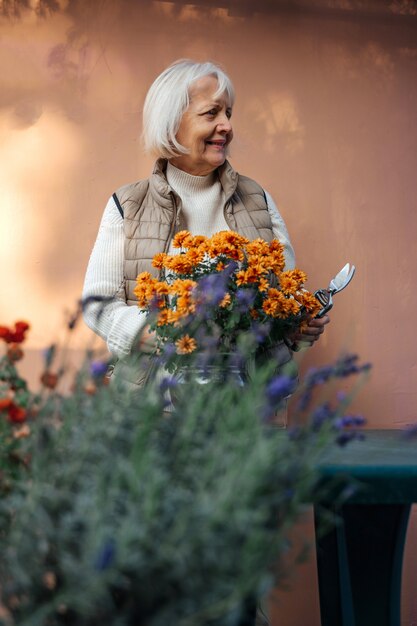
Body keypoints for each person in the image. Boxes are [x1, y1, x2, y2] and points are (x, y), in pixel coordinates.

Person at [82, 59, 329, 387]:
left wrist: (297, 322)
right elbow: (97, 305)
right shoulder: (127, 204)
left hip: (246, 403)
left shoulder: (257, 199)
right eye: (211, 113)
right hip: (154, 406)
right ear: (171, 123)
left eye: (228, 113)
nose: (226, 125)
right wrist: (160, 331)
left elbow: (284, 293)